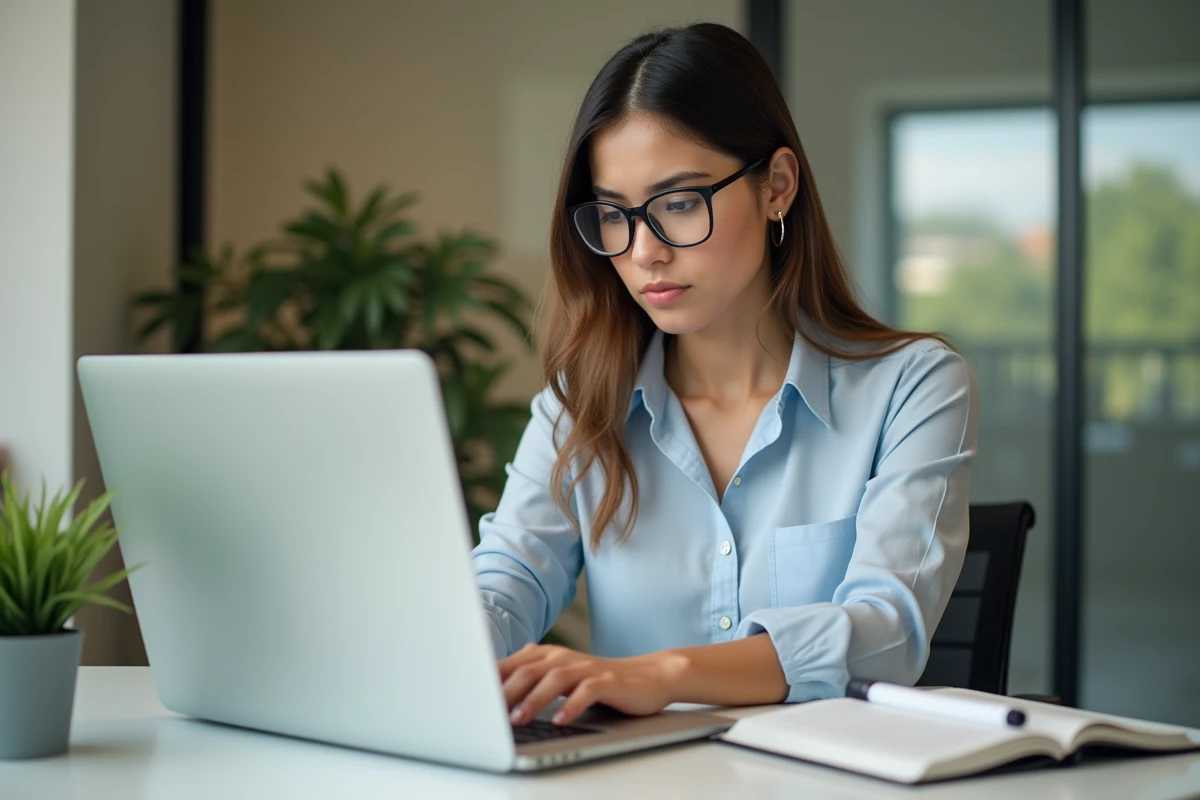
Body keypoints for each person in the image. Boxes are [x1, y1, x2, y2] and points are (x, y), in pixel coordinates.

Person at [471, 22, 977, 729]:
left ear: (776, 186)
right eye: (614, 215)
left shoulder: (913, 387)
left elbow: (885, 631)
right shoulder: (580, 407)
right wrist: (445, 641)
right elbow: (505, 583)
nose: (643, 252)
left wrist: (666, 673)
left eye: (679, 203)